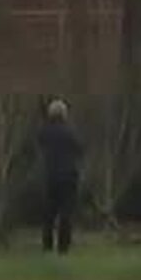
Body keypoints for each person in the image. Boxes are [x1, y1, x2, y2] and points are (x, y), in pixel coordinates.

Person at [38, 99, 83, 254]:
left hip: (50, 177)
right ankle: (63, 248)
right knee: (66, 214)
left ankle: (47, 246)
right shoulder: (70, 132)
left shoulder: (44, 131)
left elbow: (40, 145)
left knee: (48, 214)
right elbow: (80, 149)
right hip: (69, 177)